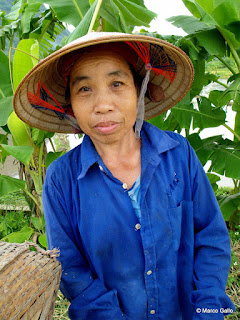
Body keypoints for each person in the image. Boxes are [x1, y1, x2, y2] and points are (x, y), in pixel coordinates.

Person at [13, 32, 235, 320]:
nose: (103, 104)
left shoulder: (179, 154)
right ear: (70, 104)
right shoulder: (60, 179)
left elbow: (211, 238)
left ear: (139, 90)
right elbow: (72, 270)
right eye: (84, 90)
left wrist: (207, 312)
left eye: (117, 84)